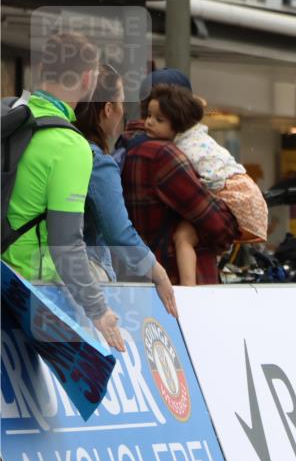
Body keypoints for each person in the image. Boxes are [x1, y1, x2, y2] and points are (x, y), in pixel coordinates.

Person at [2, 32, 124, 351]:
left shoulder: (9, 116)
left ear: (42, 69)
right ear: (87, 80)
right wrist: (98, 310)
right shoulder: (70, 146)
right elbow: (65, 243)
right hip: (30, 292)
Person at [72, 63, 177, 316]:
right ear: (108, 109)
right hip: (88, 276)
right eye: (121, 103)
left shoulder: (63, 147)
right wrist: (158, 273)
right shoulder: (98, 162)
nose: (123, 111)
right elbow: (119, 232)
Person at [122, 70, 239, 285]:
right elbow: (219, 224)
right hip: (176, 282)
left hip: (141, 280)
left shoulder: (126, 147)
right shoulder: (163, 154)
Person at [144, 84, 268, 286]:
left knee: (183, 237)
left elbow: (210, 181)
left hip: (232, 194)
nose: (149, 122)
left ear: (178, 123)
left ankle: (188, 292)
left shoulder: (184, 149)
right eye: (148, 115)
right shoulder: (193, 139)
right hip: (240, 191)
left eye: (159, 119)